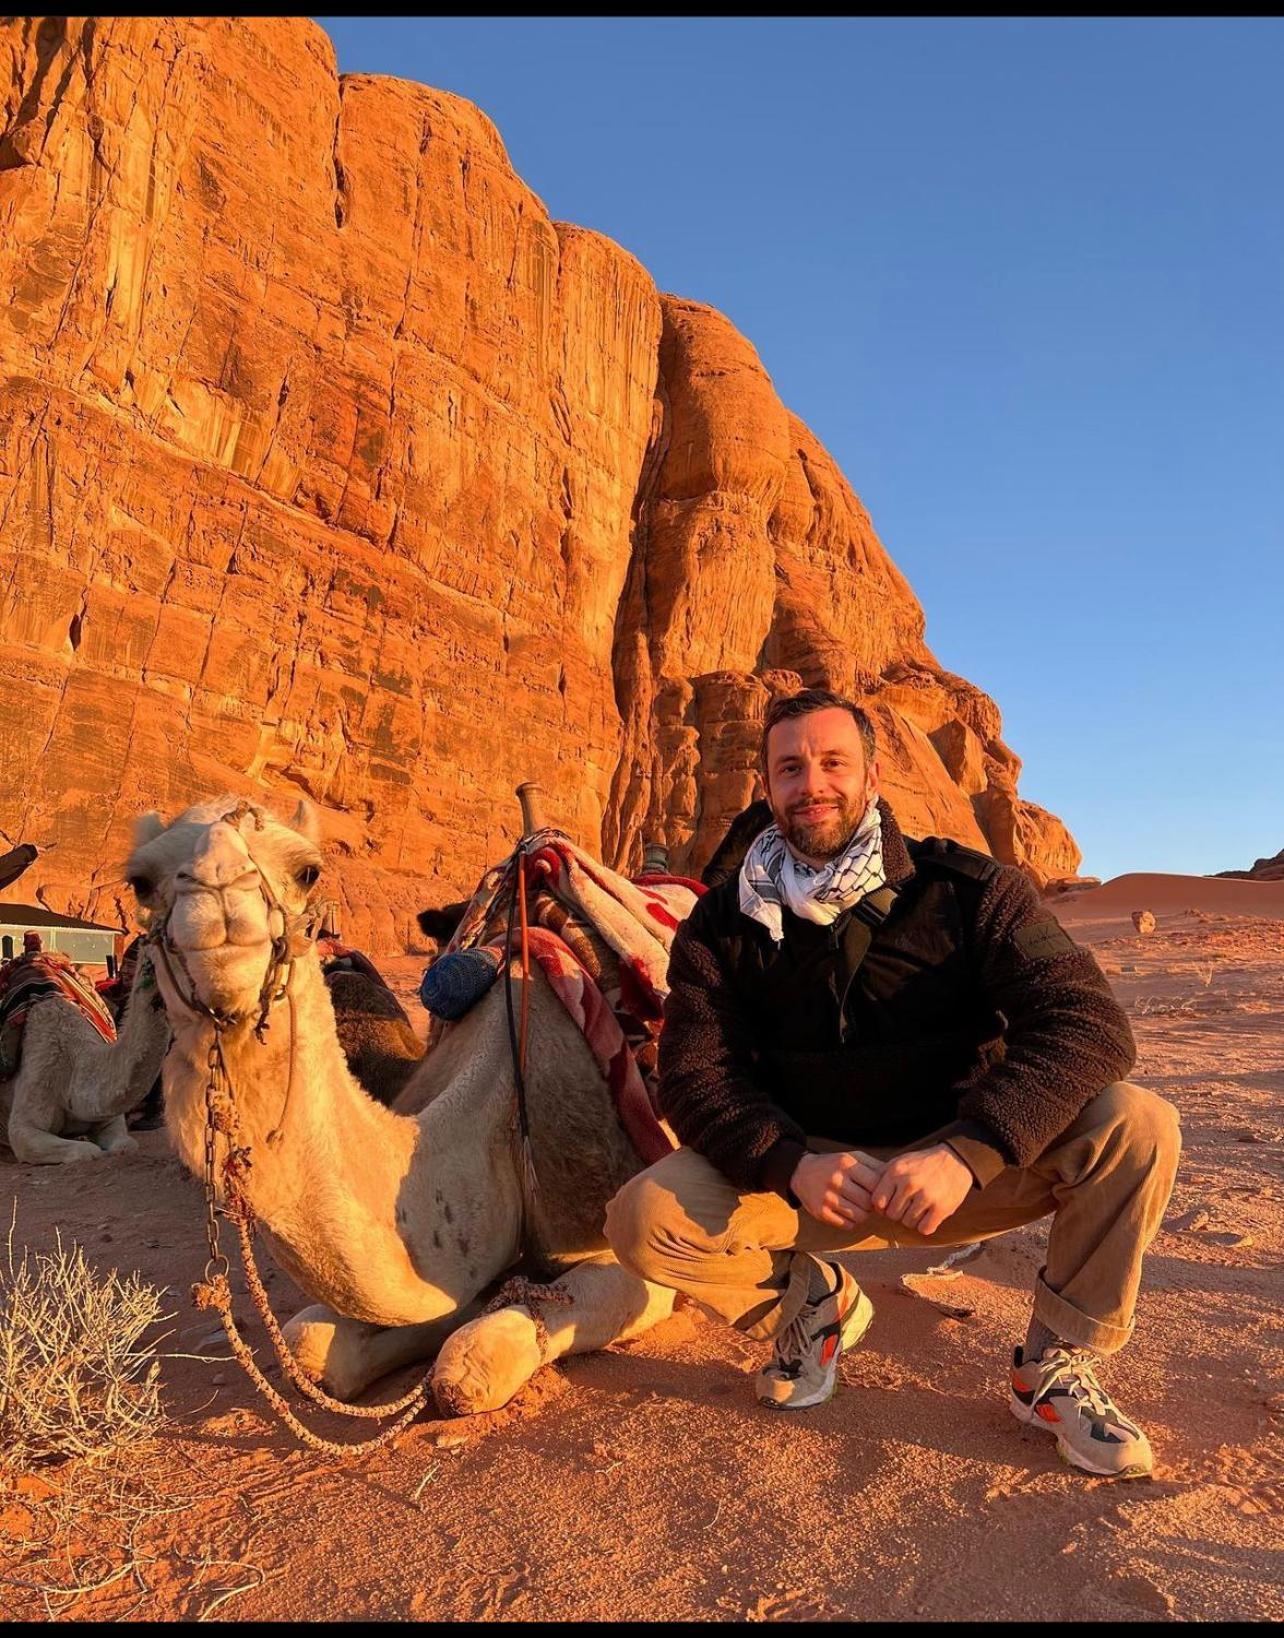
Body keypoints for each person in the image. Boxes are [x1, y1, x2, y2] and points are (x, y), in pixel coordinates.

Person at [606, 688, 1180, 1479]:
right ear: (768, 788)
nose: (813, 784)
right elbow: (697, 1074)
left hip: (965, 1170)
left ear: (872, 777)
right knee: (645, 1220)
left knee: (1138, 1124)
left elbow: (1088, 1026)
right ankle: (812, 1302)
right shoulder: (722, 926)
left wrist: (970, 1152)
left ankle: (1051, 1366)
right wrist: (787, 1163)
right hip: (814, 1182)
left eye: (833, 763)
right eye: (791, 768)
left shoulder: (974, 893)